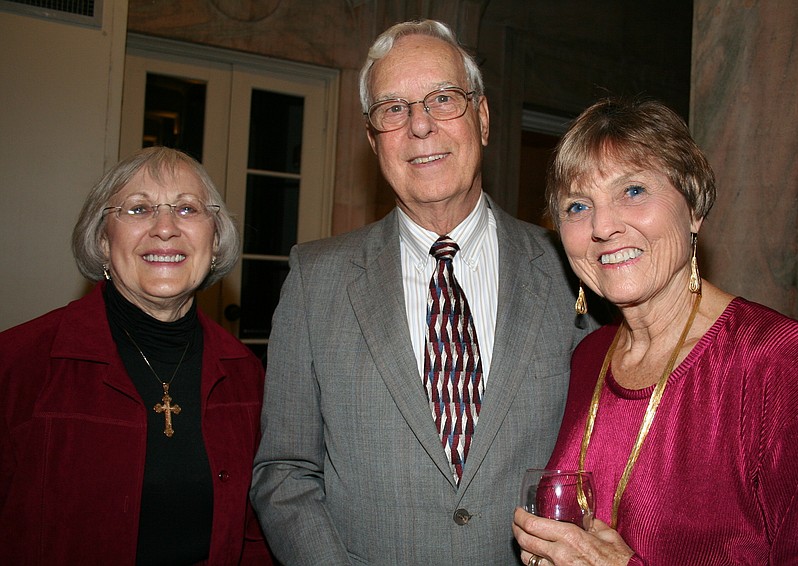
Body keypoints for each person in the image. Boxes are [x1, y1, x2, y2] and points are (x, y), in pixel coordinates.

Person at [250, 19, 592, 565]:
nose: (421, 126)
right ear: (373, 140)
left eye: (443, 99)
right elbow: (285, 471)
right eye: (393, 109)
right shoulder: (317, 280)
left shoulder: (571, 270)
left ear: (481, 118)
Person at [512, 97, 798, 565]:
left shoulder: (778, 363)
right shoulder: (588, 356)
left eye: (633, 191)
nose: (604, 226)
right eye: (577, 205)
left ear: (693, 209)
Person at [0, 147, 273, 565]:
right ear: (103, 240)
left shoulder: (248, 378)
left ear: (215, 241)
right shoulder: (18, 364)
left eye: (187, 209)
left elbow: (255, 534)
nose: (165, 229)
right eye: (139, 208)